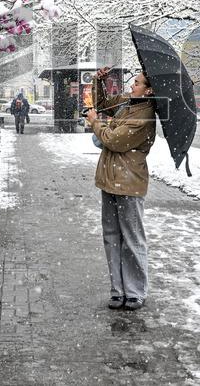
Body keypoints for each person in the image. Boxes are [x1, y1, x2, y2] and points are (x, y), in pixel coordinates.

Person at [85, 66, 156, 311]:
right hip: (109, 179)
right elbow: (103, 103)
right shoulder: (128, 104)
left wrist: (96, 123)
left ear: (148, 91)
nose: (131, 86)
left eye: (136, 83)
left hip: (129, 183)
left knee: (132, 239)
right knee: (112, 238)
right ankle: (118, 291)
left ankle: (135, 292)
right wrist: (99, 81)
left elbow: (113, 141)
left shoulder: (145, 115)